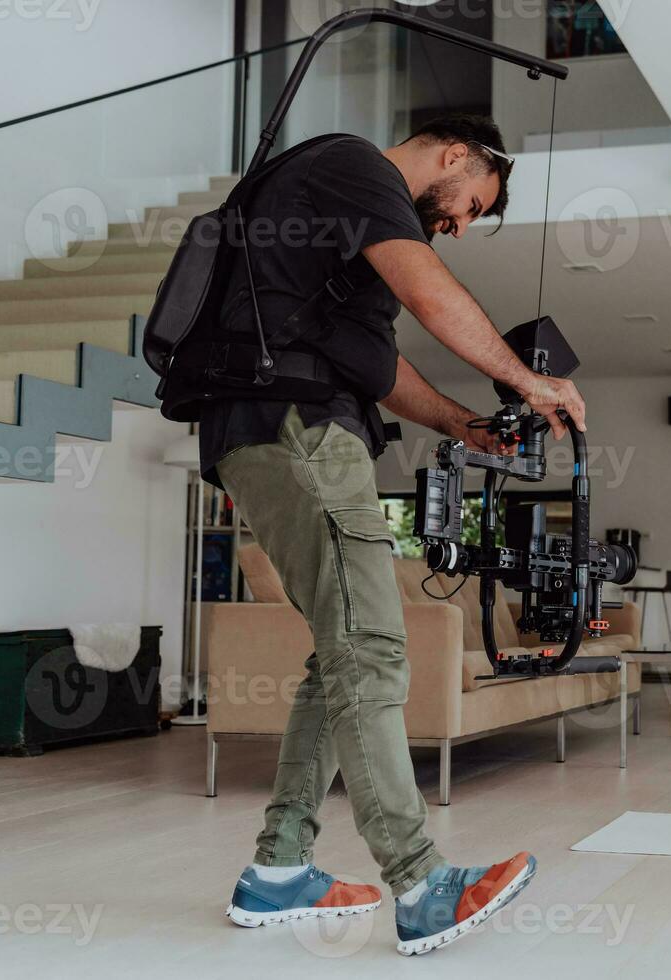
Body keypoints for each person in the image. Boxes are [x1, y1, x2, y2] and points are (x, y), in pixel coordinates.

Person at [203, 114, 587, 955]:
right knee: (372, 648)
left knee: (339, 651)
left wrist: (470, 425)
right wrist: (526, 378)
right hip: (297, 430)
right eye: (467, 206)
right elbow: (427, 288)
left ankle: (278, 871)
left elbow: (379, 368)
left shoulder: (331, 227)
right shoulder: (353, 166)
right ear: (455, 155)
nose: (454, 226)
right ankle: (420, 885)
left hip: (279, 428)